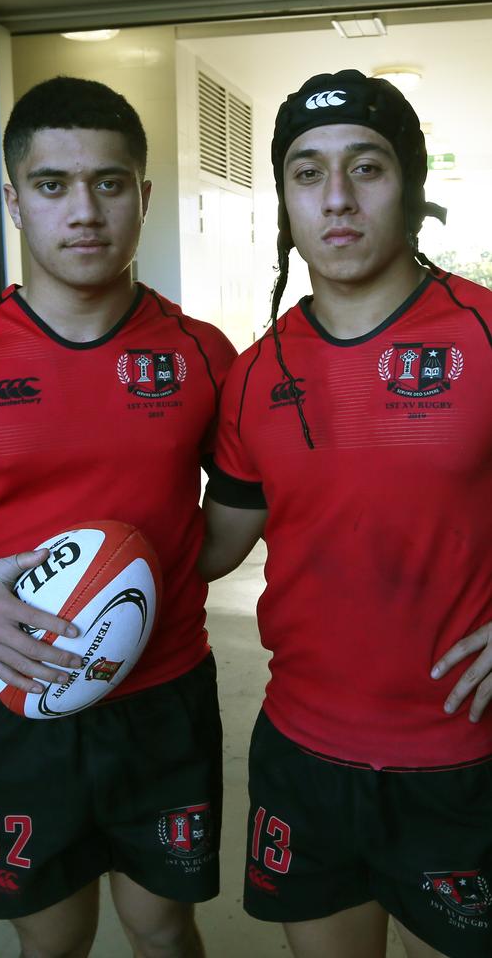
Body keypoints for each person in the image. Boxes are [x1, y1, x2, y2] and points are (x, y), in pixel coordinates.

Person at [0, 76, 236, 958]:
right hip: (17, 698)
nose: (85, 211)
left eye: (110, 183)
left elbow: (234, 520)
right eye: (52, 185)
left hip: (167, 699)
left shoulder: (202, 356)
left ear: (143, 197)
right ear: (13, 199)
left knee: (161, 927)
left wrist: (148, 591)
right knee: (53, 937)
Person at [199, 69, 492, 958]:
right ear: (284, 198)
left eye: (365, 167)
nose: (336, 198)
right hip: (304, 749)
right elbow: (216, 543)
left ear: (409, 183)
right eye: (306, 171)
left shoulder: (482, 335)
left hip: (465, 758)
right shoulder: (254, 374)